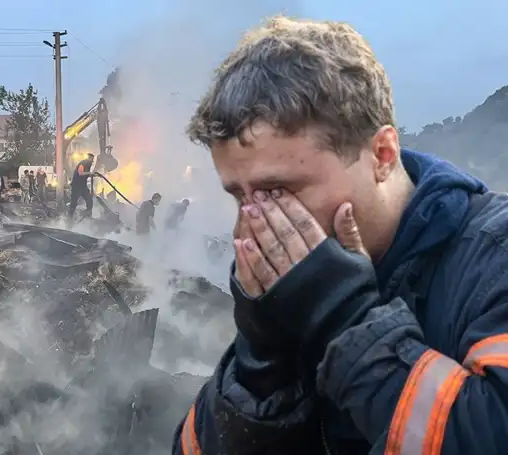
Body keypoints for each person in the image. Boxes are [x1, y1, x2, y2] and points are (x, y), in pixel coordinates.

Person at [174, 16, 508, 455]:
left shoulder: (494, 258)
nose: (255, 223)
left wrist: (344, 321)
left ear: (382, 155)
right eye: (239, 196)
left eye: (280, 191)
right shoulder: (293, 285)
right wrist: (261, 359)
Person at [68, 153, 95, 220]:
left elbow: (85, 174)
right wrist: (89, 173)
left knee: (89, 200)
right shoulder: (83, 163)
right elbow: (80, 173)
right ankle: (69, 218)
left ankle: (88, 216)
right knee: (73, 203)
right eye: (92, 159)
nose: (92, 161)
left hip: (83, 185)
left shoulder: (88, 165)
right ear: (89, 158)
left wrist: (92, 175)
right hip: (77, 186)